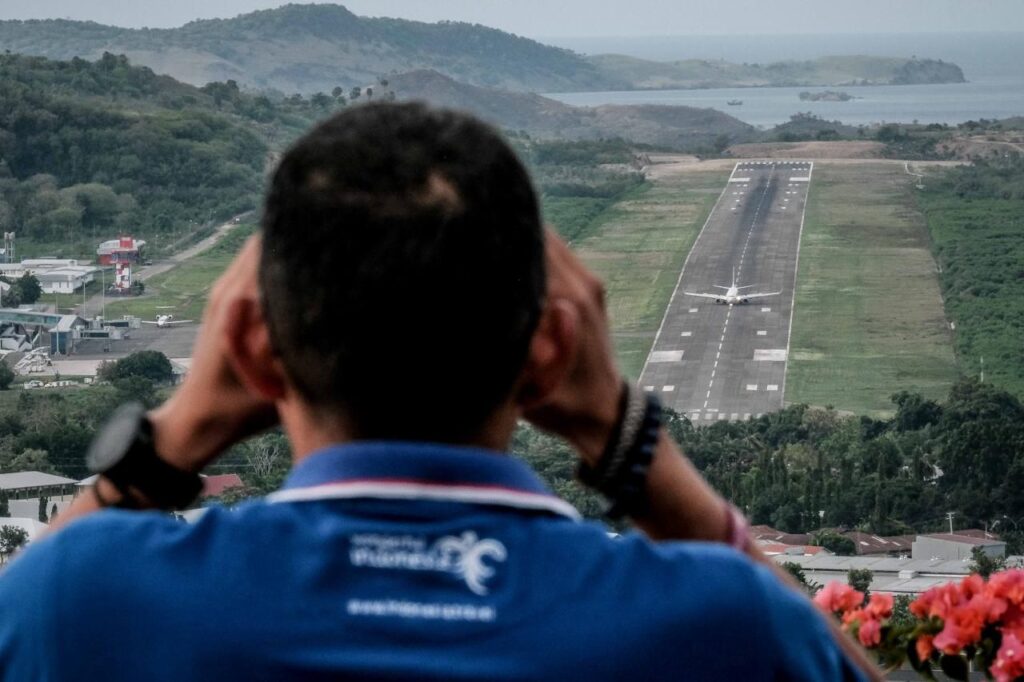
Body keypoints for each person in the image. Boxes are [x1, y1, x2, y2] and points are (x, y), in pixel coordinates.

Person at [0, 103, 879, 681]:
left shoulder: (81, 595)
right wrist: (624, 437)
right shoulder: (723, 621)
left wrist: (181, 430)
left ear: (247, 349)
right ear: (551, 353)